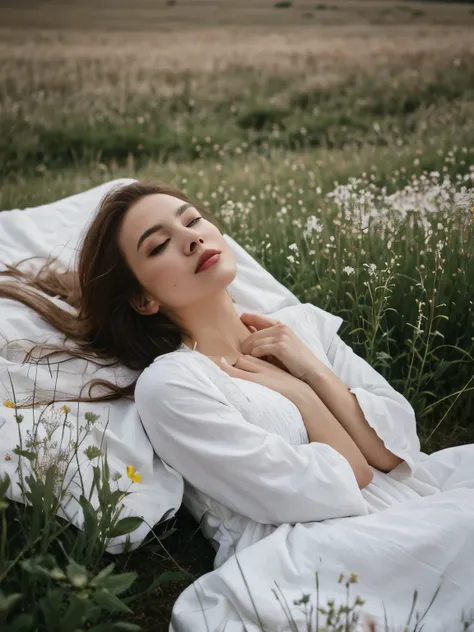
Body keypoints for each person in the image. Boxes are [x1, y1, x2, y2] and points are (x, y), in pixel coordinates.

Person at [2, 181, 474, 631]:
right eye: (158, 245)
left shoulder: (298, 328)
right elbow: (348, 479)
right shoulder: (172, 383)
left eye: (193, 221)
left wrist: (313, 370)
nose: (190, 239)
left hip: (413, 499)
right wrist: (303, 396)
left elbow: (396, 452)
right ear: (143, 299)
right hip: (320, 548)